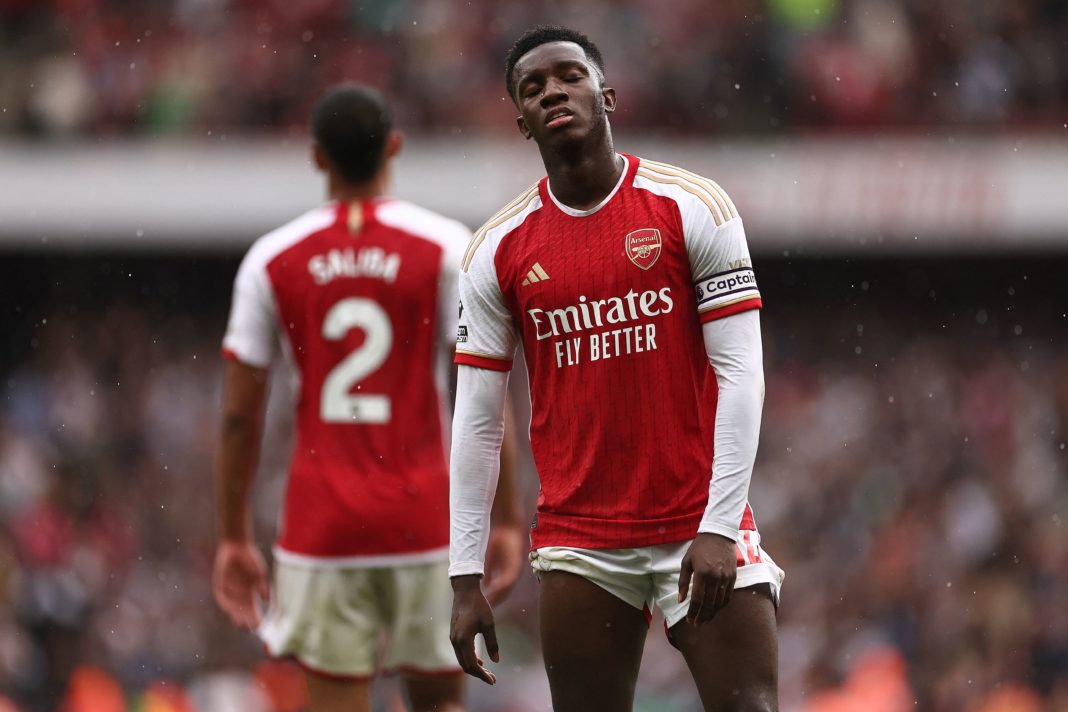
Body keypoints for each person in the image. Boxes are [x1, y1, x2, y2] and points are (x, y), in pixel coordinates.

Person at [448, 26, 784, 712]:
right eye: (532, 88)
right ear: (521, 121)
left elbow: (742, 373)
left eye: (568, 76)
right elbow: (478, 421)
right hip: (581, 539)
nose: (552, 92)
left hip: (700, 521)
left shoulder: (692, 205)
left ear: (607, 94)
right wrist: (463, 577)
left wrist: (720, 525)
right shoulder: (496, 250)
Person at [213, 83, 525, 712]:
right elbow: (482, 392)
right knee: (439, 702)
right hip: (427, 522)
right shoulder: (444, 248)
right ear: (394, 148)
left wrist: (233, 536)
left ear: (317, 158)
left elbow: (239, 418)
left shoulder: (270, 260)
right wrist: (509, 517)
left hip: (322, 526)